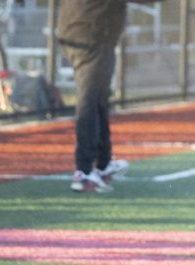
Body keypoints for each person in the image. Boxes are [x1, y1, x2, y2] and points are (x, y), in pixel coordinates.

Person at [56, 0, 129, 193]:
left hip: (83, 32)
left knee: (98, 99)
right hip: (91, 35)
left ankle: (103, 164)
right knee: (89, 100)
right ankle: (84, 170)